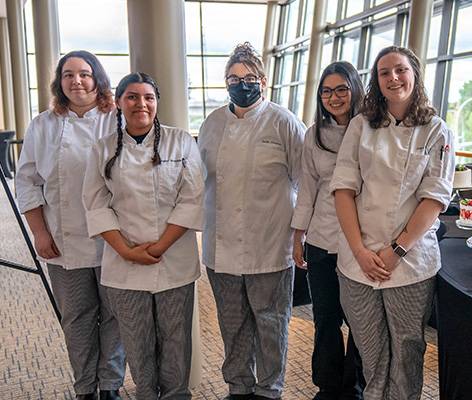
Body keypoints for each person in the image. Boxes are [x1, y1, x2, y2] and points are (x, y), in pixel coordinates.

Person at [330, 46, 455, 399]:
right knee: (370, 351)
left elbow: (434, 197)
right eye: (384, 72)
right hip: (358, 262)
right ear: (376, 81)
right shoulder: (360, 126)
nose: (393, 78)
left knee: (407, 349)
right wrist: (360, 251)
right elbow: (343, 189)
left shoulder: (436, 130)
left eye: (400, 70)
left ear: (414, 74)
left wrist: (396, 250)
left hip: (411, 262)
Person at [82, 72, 204, 400]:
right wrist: (126, 251)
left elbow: (192, 200)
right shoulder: (103, 148)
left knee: (176, 341)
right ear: (119, 103)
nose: (141, 104)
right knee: (137, 344)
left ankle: (177, 395)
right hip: (125, 265)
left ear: (157, 102)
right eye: (132, 97)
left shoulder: (181, 142)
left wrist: (160, 245)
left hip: (173, 258)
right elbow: (95, 204)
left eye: (148, 97)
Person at [15, 50, 126, 400]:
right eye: (68, 74)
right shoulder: (43, 124)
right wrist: (40, 232)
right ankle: (84, 387)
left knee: (115, 315)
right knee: (76, 317)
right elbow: (27, 181)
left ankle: (109, 384)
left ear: (98, 79)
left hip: (115, 239)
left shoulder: (117, 119)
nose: (76, 81)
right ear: (59, 82)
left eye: (84, 73)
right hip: (63, 239)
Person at [198, 42, 305, 400]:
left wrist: (299, 237)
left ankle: (269, 390)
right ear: (225, 83)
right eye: (233, 78)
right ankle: (239, 387)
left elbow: (306, 184)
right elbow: (198, 181)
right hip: (222, 246)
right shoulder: (212, 124)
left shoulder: (284, 122)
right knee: (233, 324)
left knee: (272, 324)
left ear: (263, 80)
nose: (241, 84)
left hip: (271, 244)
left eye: (249, 78)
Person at [291, 61, 366, 400]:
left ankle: (354, 387)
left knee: (361, 323)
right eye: (326, 91)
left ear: (354, 89)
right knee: (325, 319)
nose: (333, 97)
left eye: (341, 89)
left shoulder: (369, 129)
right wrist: (298, 235)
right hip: (321, 239)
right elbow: (307, 187)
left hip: (361, 241)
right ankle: (328, 386)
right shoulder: (314, 134)